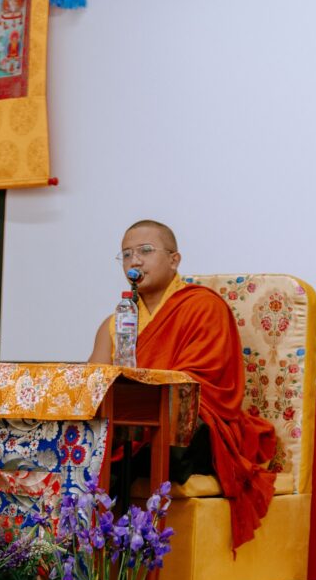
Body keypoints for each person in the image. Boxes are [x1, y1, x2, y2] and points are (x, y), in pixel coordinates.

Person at [89, 219, 277, 550]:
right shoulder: (116, 321)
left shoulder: (203, 306)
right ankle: (90, 554)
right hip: (131, 425)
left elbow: (200, 381)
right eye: (127, 254)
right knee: (89, 452)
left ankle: (113, 554)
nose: (135, 261)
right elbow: (92, 380)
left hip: (190, 426)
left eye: (146, 251)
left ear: (174, 260)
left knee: (158, 446)